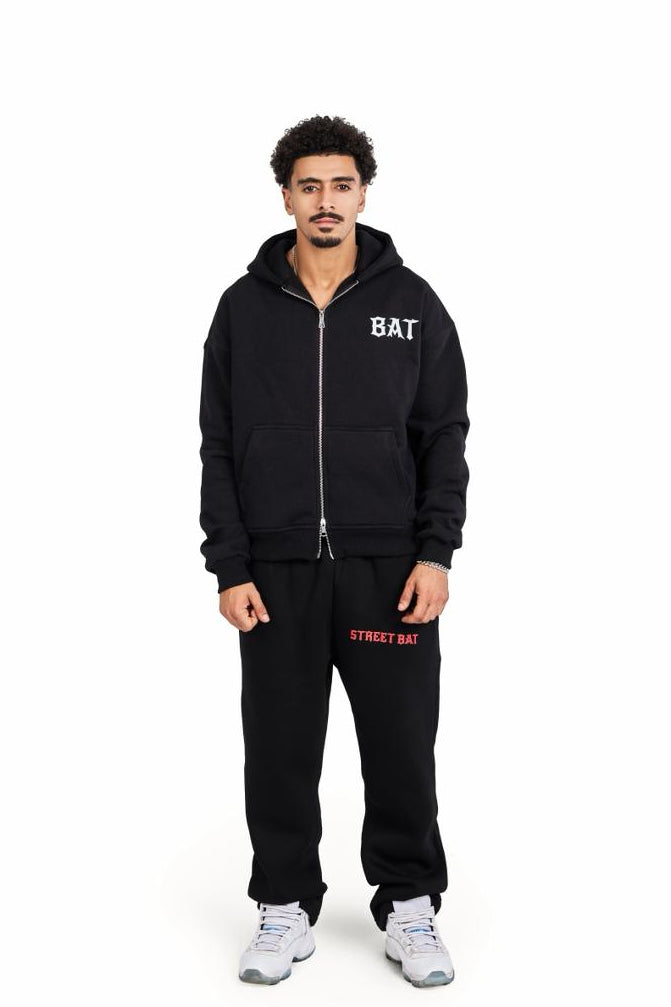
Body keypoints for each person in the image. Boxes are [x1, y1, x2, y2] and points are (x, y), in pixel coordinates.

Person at [198, 114, 470, 987]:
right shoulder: (243, 309)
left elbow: (443, 434)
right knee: (279, 745)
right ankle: (284, 903)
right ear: (285, 195)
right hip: (275, 569)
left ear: (362, 193)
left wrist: (435, 552)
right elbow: (217, 444)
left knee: (400, 743)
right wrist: (229, 563)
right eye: (309, 185)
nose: (326, 200)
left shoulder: (412, 303)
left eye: (340, 184)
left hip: (390, 568)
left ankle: (408, 903)